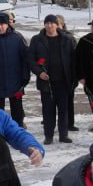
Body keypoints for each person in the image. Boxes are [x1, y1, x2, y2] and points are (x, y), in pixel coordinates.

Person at [29, 14, 77, 145]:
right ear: (44, 25)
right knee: (48, 110)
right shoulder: (37, 40)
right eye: (47, 23)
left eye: (52, 23)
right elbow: (31, 60)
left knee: (63, 109)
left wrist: (75, 78)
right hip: (46, 82)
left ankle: (63, 135)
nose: (49, 25)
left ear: (57, 24)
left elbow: (75, 60)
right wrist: (39, 73)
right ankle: (48, 136)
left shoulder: (67, 39)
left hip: (64, 81)